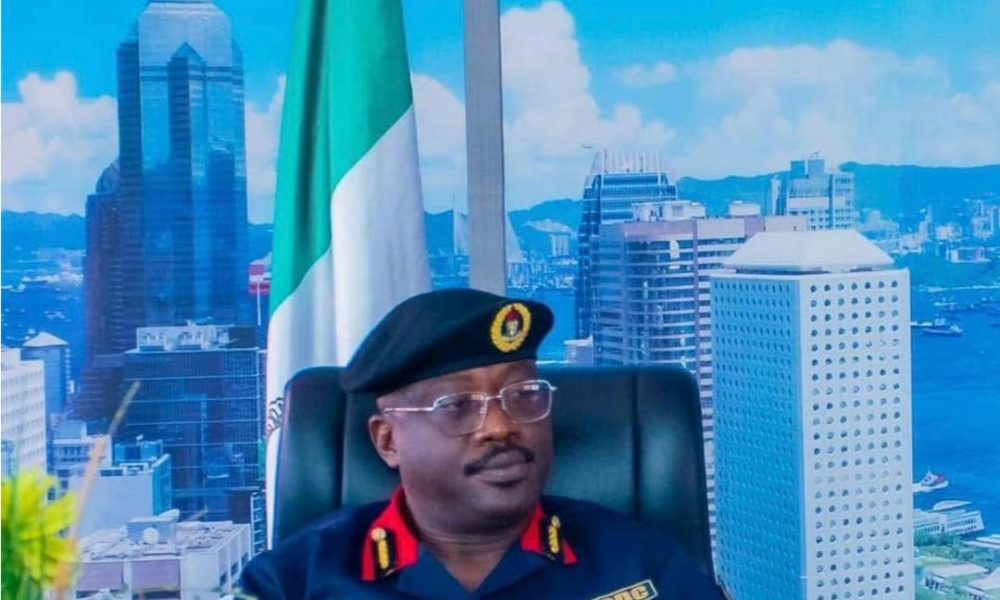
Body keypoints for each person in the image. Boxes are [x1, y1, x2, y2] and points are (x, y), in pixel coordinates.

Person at [238, 288, 727, 599]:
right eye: (458, 406)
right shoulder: (292, 582)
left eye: (524, 395)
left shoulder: (643, 565)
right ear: (388, 441)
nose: (500, 426)